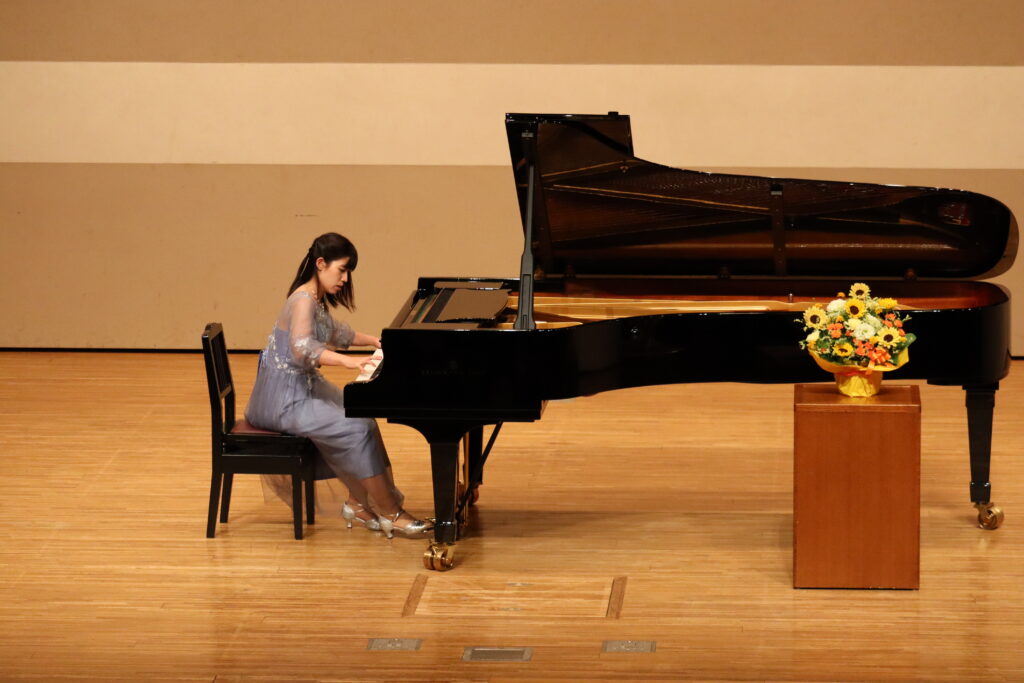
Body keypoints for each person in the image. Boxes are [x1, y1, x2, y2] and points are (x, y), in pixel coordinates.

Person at [245, 232, 431, 538]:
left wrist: (375, 340)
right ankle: (391, 513)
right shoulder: (302, 300)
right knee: (355, 429)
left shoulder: (313, 298)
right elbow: (302, 348)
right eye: (342, 269)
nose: (345, 278)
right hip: (283, 399)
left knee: (364, 419)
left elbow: (336, 333)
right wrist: (350, 362)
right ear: (321, 264)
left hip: (300, 388)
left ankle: (358, 504)